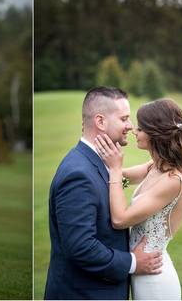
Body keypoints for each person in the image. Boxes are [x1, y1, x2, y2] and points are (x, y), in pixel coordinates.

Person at [44, 87, 163, 299]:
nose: (130, 126)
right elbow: (81, 247)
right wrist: (134, 262)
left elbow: (134, 175)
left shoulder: (99, 163)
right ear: (100, 122)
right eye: (124, 118)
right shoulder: (78, 174)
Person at [94, 98, 182, 300]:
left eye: (140, 129)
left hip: (155, 279)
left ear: (156, 134)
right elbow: (124, 176)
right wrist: (98, 160)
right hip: (142, 270)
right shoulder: (156, 166)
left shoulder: (172, 181)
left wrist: (115, 168)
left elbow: (120, 219)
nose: (134, 131)